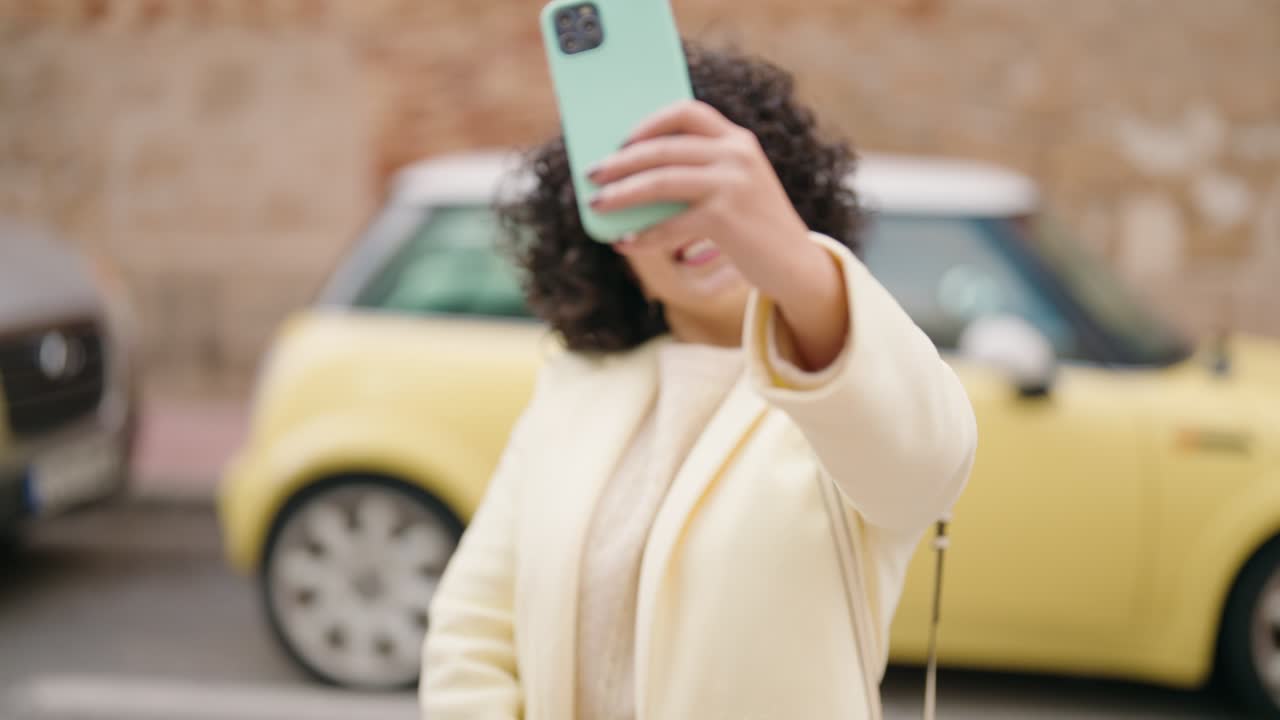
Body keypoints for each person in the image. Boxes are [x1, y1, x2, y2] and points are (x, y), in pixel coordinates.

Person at [420, 43, 976, 720]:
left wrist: (792, 263)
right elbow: (473, 631)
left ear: (779, 195)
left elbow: (926, 464)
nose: (689, 215)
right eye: (646, 192)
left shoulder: (844, 383)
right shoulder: (575, 390)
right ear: (608, 242)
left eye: (708, 183)